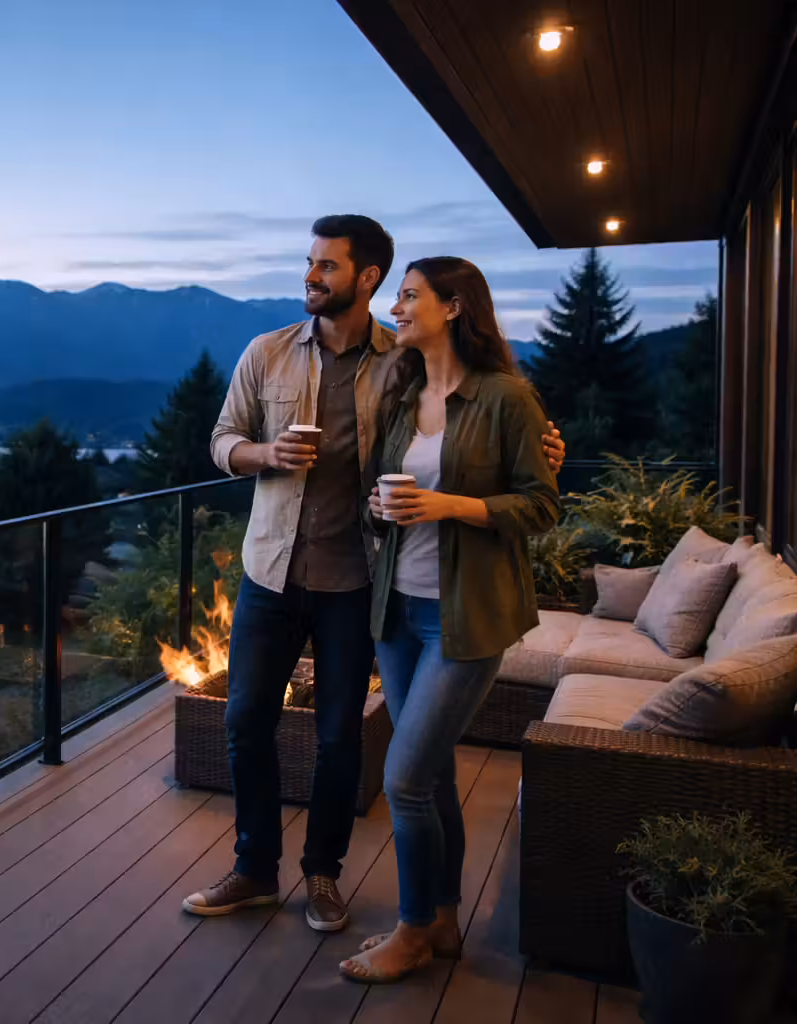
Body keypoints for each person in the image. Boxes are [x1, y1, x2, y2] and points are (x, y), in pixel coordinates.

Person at [183, 218, 564, 932]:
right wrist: (263, 456)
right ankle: (254, 869)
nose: (310, 276)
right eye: (309, 263)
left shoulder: (403, 363)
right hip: (270, 572)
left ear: (368, 279)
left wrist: (540, 446)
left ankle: (322, 876)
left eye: (327, 266)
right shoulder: (266, 353)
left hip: (361, 580)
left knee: (338, 740)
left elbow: (469, 420)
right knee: (243, 723)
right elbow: (220, 439)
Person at [339, 257, 559, 984]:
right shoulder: (405, 396)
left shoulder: (506, 400)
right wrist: (383, 508)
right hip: (399, 610)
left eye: (408, 296)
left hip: (466, 618)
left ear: (455, 307)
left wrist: (451, 506)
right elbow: (390, 494)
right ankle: (441, 917)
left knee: (402, 777)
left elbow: (541, 507)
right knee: (428, 775)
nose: (395, 306)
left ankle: (407, 931)